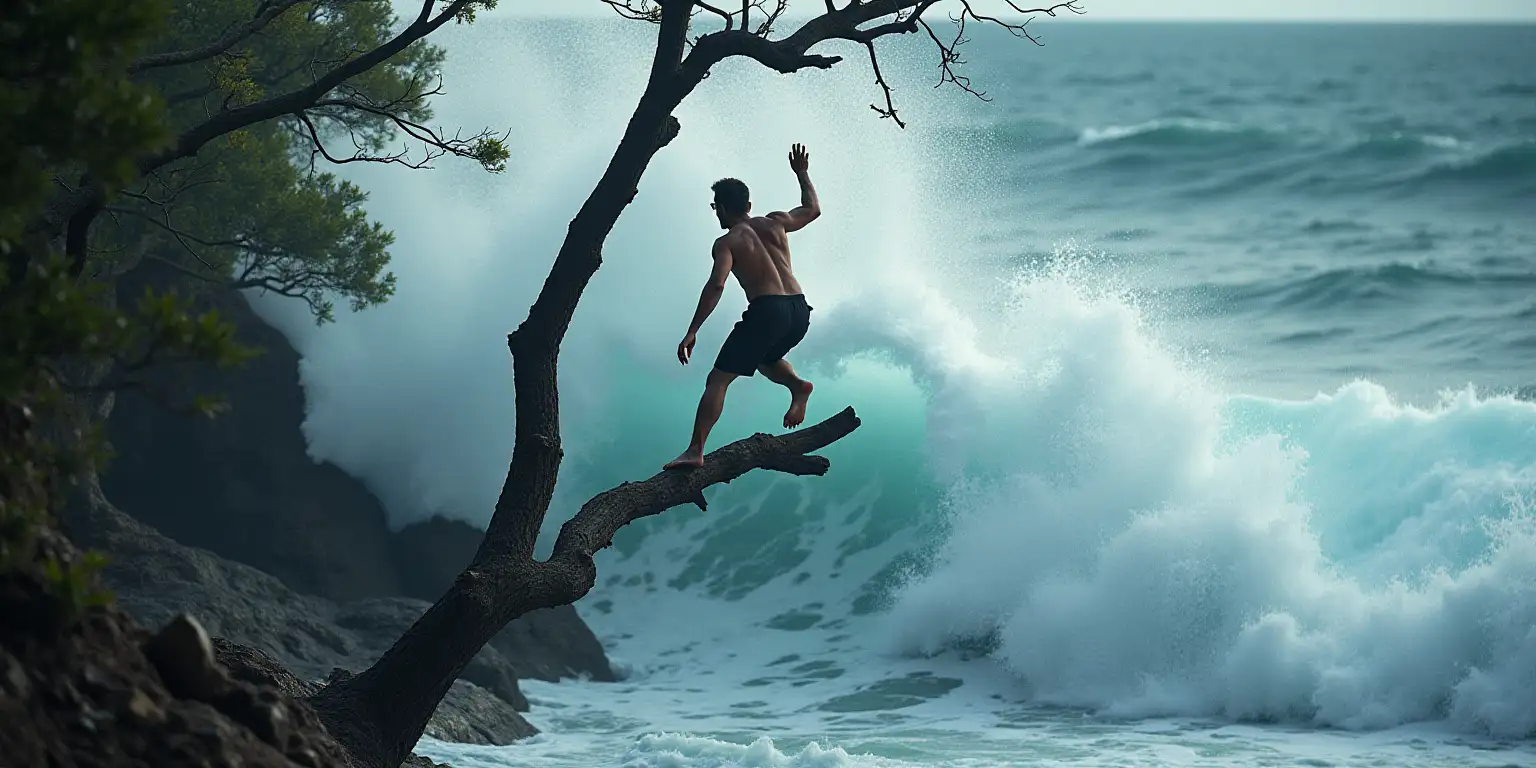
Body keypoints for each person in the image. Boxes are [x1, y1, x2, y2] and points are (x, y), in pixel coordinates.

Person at [663, 143, 821, 471]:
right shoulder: (776, 222)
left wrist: (692, 331)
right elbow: (812, 209)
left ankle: (695, 450)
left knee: (717, 380)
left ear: (720, 208)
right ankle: (798, 386)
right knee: (766, 359)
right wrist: (802, 174)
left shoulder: (727, 243)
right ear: (749, 205)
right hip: (799, 310)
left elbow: (717, 285)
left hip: (768, 311)